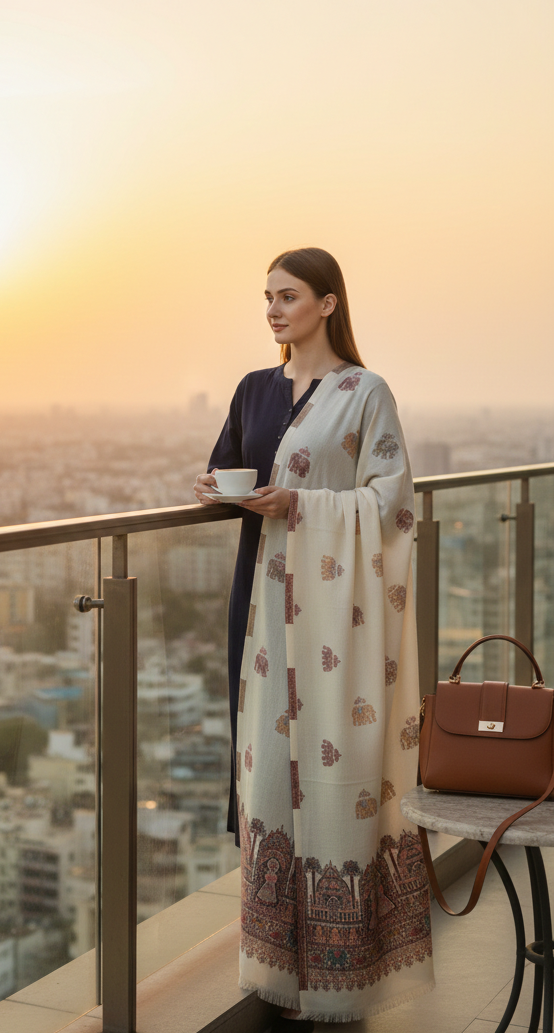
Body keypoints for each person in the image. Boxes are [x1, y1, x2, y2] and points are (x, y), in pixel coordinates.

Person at [194, 248, 434, 1028]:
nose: (272, 309)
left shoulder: (367, 393)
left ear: (328, 303)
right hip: (262, 600)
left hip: (340, 619)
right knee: (269, 776)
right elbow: (225, 470)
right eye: (265, 297)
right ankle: (276, 962)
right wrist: (215, 490)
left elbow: (392, 503)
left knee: (339, 775)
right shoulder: (254, 389)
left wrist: (302, 504)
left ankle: (343, 971)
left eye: (288, 296)